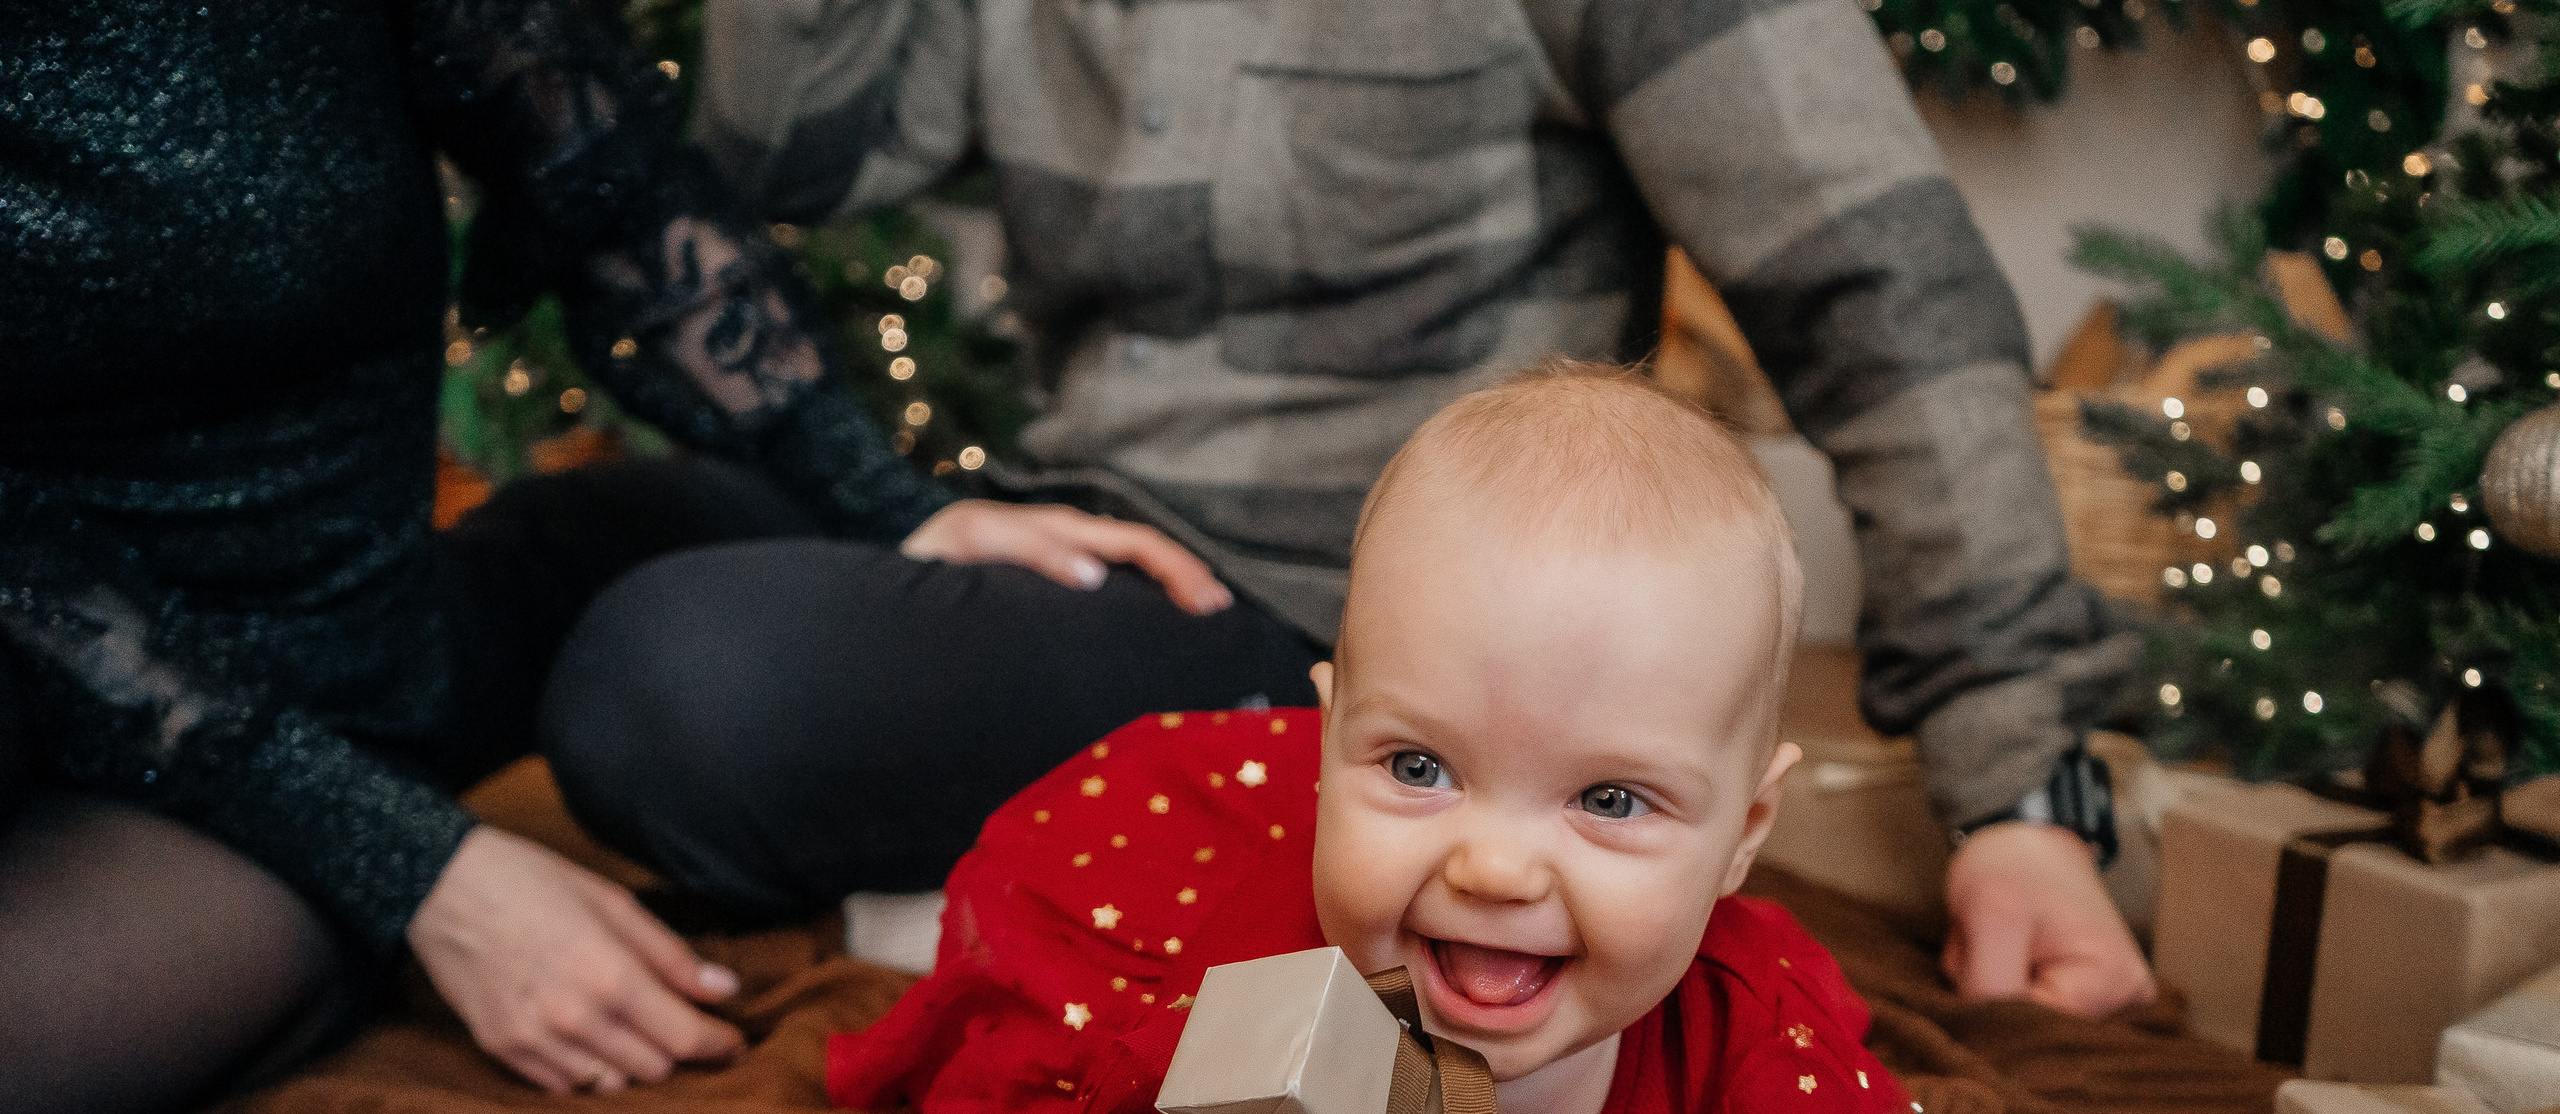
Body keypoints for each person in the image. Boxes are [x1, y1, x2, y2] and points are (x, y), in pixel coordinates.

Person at [692, 0, 2158, 1019]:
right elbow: (789, 159)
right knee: (602, 544)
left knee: (684, 682)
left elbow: (1879, 284)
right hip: (1066, 526)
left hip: (1346, 631)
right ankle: (1066, 900)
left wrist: (2020, 793)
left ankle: (1103, 894)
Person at [0, 0, 1247, 1114]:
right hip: (83, 716)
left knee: (683, 662)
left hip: (358, 647)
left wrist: (896, 508)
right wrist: (412, 863)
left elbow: (613, 202)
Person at [833, 369, 1918, 1114]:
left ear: (1745, 829)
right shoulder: (1242, 1020)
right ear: (1330, 730)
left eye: (1610, 799)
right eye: (1417, 765)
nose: (1493, 868)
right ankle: (917, 925)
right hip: (1168, 915)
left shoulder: (1750, 1030)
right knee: (1025, 1033)